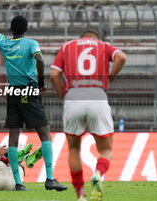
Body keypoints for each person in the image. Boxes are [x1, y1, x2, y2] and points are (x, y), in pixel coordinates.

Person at [0, 0, 67, 192]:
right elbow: (39, 59)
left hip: (13, 92)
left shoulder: (4, 43)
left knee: (13, 137)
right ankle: (49, 179)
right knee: (45, 134)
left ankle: (18, 183)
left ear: (11, 30)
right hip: (29, 91)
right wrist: (40, 83)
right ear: (26, 29)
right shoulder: (30, 43)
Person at [50, 30, 126, 201]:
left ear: (82, 38)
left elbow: (54, 75)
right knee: (106, 149)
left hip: (73, 96)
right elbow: (122, 57)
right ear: (95, 38)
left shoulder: (67, 46)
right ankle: (98, 173)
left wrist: (64, 97)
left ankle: (80, 194)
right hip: (97, 95)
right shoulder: (103, 46)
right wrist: (110, 76)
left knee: (74, 148)